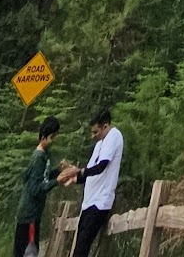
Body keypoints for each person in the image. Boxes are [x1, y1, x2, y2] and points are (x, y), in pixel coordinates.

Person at [15, 116, 72, 257]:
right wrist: (57, 181)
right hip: (29, 214)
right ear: (43, 137)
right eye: (51, 137)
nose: (53, 140)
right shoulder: (38, 158)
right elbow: (36, 189)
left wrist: (57, 171)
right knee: (29, 252)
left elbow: (43, 177)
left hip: (34, 214)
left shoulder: (45, 155)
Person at [70, 108, 124, 257]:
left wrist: (80, 171)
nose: (93, 136)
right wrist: (75, 178)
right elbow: (91, 171)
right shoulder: (100, 143)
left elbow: (101, 167)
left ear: (105, 126)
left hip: (99, 202)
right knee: (79, 247)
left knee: (82, 248)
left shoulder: (114, 136)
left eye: (95, 132)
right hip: (89, 202)